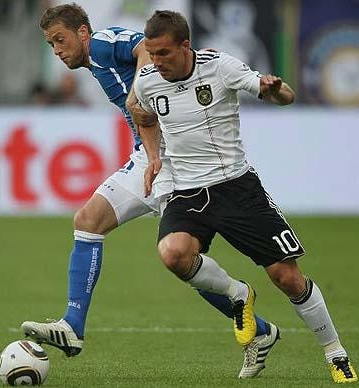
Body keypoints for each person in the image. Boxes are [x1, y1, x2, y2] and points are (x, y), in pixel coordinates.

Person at [21, 4, 278, 379]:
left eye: (60, 40)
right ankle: (73, 327)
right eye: (50, 44)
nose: (57, 50)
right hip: (148, 158)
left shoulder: (105, 43)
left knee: (178, 256)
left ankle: (250, 312)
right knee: (88, 220)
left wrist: (138, 93)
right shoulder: (95, 64)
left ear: (82, 34)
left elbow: (144, 46)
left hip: (179, 161)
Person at [131, 10, 358, 383]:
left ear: (186, 45)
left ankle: (335, 353)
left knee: (287, 277)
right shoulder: (148, 81)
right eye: (152, 54)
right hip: (188, 192)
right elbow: (144, 115)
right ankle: (239, 295)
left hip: (237, 188)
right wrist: (154, 157)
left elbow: (284, 96)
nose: (157, 62)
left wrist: (275, 88)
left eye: (164, 54)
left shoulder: (220, 66)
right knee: (173, 254)